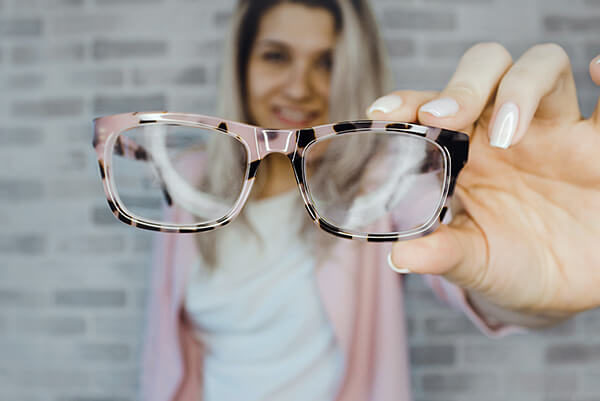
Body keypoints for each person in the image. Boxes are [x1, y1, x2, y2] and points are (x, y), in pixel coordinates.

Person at [140, 0, 600, 400]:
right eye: (276, 56)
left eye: (327, 62)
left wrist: (548, 271)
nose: (299, 87)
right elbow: (168, 353)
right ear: (240, 65)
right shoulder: (189, 179)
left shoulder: (382, 178)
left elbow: (475, 269)